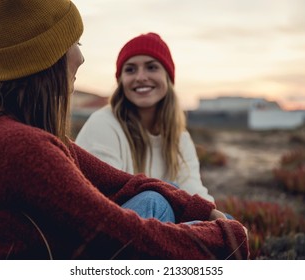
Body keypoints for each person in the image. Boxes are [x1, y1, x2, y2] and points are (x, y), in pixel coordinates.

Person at [0, 0, 249, 260]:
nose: (81, 57)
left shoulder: (14, 132)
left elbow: (123, 183)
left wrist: (202, 212)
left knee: (156, 201)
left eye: (152, 67)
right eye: (75, 44)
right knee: (164, 220)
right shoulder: (18, 145)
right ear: (49, 56)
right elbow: (120, 232)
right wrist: (227, 237)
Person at [76, 32, 215, 202]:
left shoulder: (180, 139)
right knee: (155, 199)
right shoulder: (103, 124)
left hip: (156, 224)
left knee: (226, 221)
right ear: (121, 81)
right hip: (109, 221)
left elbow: (195, 192)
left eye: (151, 67)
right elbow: (105, 199)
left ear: (168, 77)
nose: (141, 77)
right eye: (130, 69)